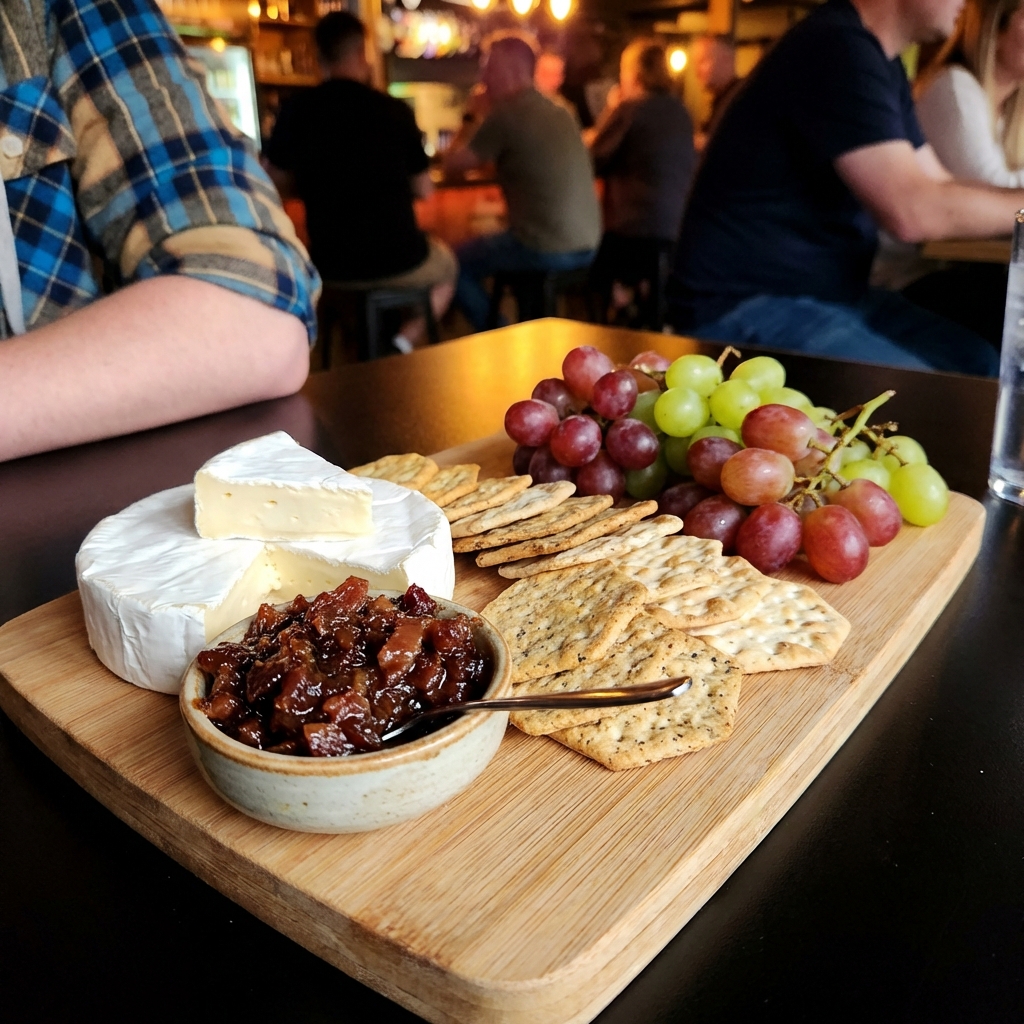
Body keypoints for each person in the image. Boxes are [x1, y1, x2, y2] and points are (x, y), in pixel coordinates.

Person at [0, 0, 319, 464]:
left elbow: (259, 298)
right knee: (451, 265)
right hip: (386, 262)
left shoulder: (46, 13)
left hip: (57, 505)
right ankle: (404, 336)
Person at [668, 0, 1023, 376]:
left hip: (830, 294)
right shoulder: (835, 46)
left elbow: (940, 184)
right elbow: (911, 211)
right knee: (937, 399)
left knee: (983, 369)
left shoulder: (880, 61)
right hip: (742, 303)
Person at [266, 12, 456, 353]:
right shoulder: (394, 111)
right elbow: (424, 189)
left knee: (350, 294)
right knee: (447, 267)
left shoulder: (297, 110)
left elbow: (273, 181)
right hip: (400, 257)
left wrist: (313, 183)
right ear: (362, 53)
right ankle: (402, 341)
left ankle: (363, 349)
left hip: (330, 261)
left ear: (318, 55)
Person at [444, 31, 601, 331]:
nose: (483, 77)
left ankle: (499, 331)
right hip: (588, 244)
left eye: (489, 68)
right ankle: (522, 331)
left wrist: (471, 113)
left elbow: (454, 164)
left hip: (545, 247)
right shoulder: (560, 110)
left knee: (454, 263)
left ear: (510, 70)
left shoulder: (506, 112)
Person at [587, 39, 696, 326]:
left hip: (635, 231)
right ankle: (640, 310)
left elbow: (594, 160)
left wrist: (612, 108)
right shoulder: (680, 111)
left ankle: (607, 331)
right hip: (676, 232)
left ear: (633, 74)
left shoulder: (630, 109)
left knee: (591, 271)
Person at [692, 34, 743, 150]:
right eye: (695, 63)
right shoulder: (721, 100)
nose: (697, 71)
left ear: (726, 60)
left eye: (703, 61)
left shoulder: (741, 101)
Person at [534, 49, 582, 126]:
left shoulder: (566, 111)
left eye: (556, 75)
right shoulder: (517, 110)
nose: (550, 80)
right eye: (545, 74)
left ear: (562, 79)